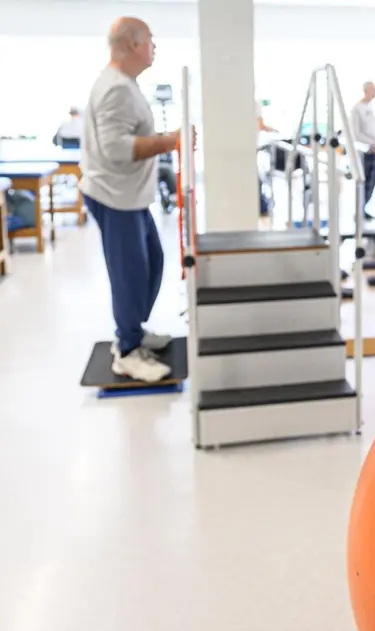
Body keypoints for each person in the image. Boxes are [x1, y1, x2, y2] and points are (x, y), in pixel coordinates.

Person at [81, 17, 180, 382]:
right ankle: (127, 351)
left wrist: (166, 140)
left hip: (129, 196)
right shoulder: (116, 89)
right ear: (133, 45)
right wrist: (169, 142)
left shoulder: (126, 84)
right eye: (150, 40)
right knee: (130, 275)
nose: (155, 47)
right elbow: (116, 148)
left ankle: (133, 331)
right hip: (114, 196)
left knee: (152, 262)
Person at [351, 81, 375, 220]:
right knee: (364, 181)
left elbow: (374, 129)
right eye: (372, 90)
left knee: (372, 181)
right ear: (365, 91)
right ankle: (359, 210)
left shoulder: (371, 108)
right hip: (365, 152)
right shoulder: (357, 109)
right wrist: (371, 145)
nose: (374, 93)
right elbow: (356, 133)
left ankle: (363, 208)